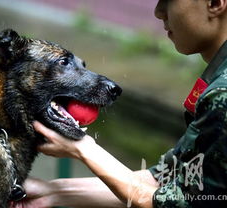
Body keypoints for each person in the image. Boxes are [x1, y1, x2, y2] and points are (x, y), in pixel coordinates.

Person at [18, 0, 227, 207]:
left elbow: (182, 203)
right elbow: (164, 179)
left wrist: (83, 148)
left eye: (168, 0)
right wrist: (51, 192)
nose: (158, 12)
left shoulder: (222, 94)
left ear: (215, 3)